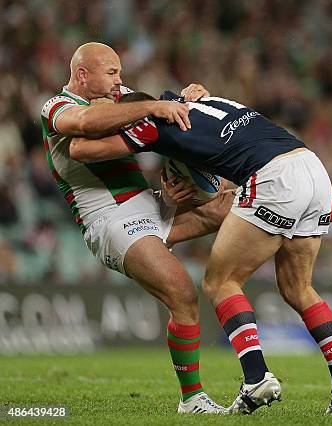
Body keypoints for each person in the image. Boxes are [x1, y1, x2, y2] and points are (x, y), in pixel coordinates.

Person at [70, 90, 332, 414]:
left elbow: (82, 150)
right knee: (298, 288)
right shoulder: (187, 99)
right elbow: (208, 156)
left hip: (272, 177)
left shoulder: (148, 122)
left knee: (220, 282)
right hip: (310, 165)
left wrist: (95, 122)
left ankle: (256, 377)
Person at [41, 42, 235, 414]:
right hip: (109, 219)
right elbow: (84, 127)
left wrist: (193, 99)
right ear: (83, 75)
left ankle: (329, 213)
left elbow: (165, 109)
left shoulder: (121, 97)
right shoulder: (57, 107)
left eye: (120, 73)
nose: (120, 81)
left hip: (149, 203)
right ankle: (192, 399)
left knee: (229, 202)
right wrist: (150, 107)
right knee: (182, 293)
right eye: (112, 73)